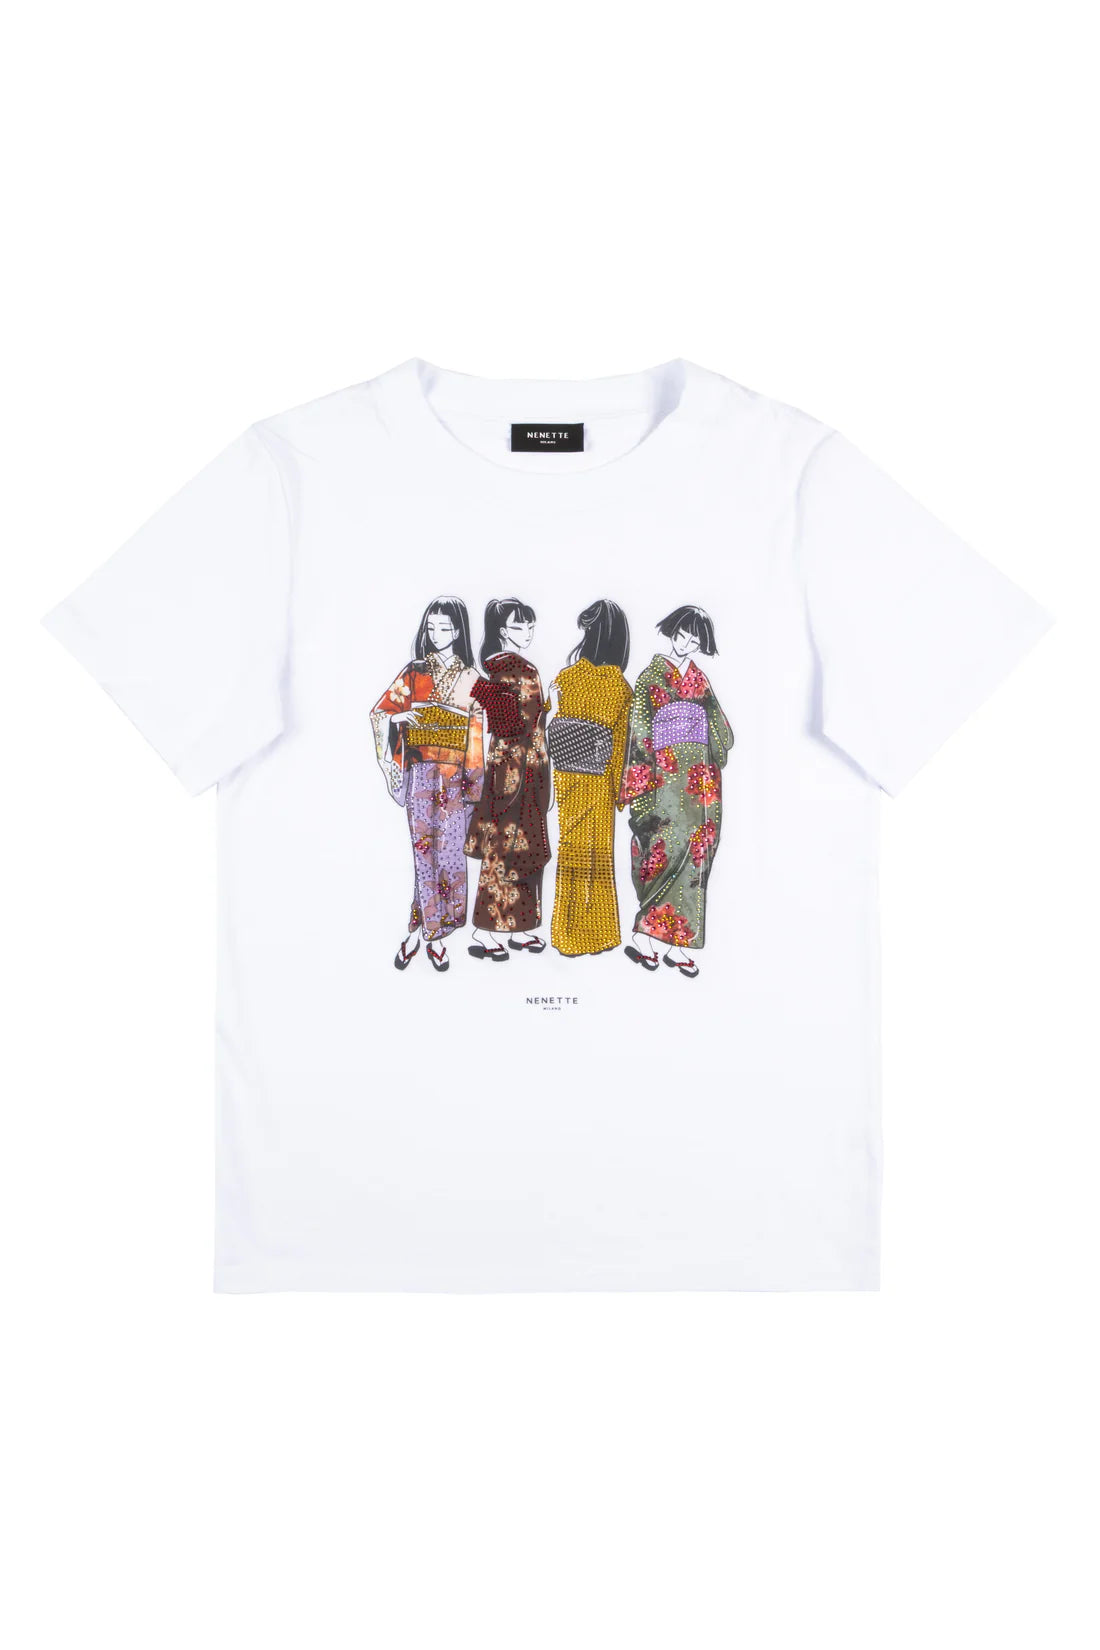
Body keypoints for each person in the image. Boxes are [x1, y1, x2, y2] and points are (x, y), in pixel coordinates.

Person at [371, 596, 484, 973]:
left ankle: (420, 934)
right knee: (424, 854)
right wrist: (401, 718)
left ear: (459, 630)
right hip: (420, 772)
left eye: (446, 627)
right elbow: (380, 712)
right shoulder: (414, 672)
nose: (437, 634)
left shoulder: (472, 679)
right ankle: (434, 938)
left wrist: (474, 785)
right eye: (431, 627)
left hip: (455, 777)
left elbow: (476, 733)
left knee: (450, 856)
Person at [620, 605, 733, 979]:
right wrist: (641, 787)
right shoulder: (650, 678)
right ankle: (645, 936)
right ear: (671, 633)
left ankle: (678, 944)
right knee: (664, 849)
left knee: (698, 854)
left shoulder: (700, 681)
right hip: (664, 780)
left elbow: (721, 732)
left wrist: (707, 742)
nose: (685, 643)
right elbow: (639, 734)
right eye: (681, 635)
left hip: (700, 782)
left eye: (694, 640)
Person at [464, 599, 551, 960]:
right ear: (502, 630)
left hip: (516, 765)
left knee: (519, 847)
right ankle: (486, 931)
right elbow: (516, 727)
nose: (526, 633)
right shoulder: (511, 669)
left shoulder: (503, 669)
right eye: (518, 626)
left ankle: (519, 928)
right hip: (517, 767)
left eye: (530, 626)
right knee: (506, 849)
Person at [547, 600, 632, 956]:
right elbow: (621, 747)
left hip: (567, 776)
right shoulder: (620, 688)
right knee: (599, 855)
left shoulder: (566, 678)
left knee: (570, 851)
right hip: (599, 780)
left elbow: (549, 724)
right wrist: (619, 793)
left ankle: (567, 935)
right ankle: (600, 934)